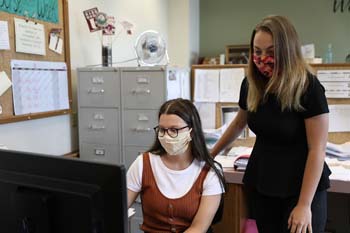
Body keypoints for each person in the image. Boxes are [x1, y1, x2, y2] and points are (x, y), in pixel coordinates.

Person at [211, 15, 331, 233]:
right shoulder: (252, 83)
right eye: (257, 51)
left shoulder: (308, 87)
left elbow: (317, 149)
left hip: (302, 187)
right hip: (264, 182)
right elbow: (239, 123)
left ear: (287, 51)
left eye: (271, 52)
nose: (262, 58)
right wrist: (211, 154)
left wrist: (304, 205)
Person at [127, 98, 225, 233]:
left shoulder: (210, 172)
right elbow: (118, 207)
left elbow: (198, 228)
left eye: (174, 130)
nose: (167, 136)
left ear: (191, 130)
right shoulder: (143, 164)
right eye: (162, 130)